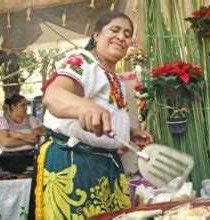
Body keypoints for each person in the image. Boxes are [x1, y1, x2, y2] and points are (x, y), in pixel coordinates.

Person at [29, 11, 153, 219]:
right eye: (114, 30)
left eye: (127, 33)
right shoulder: (83, 61)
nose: (122, 37)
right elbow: (54, 96)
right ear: (96, 35)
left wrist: (128, 132)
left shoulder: (115, 79)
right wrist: (83, 107)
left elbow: (103, 113)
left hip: (106, 164)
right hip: (75, 162)